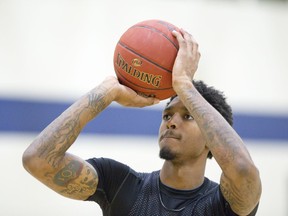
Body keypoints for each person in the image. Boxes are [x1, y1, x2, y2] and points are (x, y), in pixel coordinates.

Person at [22, 29, 261, 216]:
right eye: (167, 115)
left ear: (212, 139)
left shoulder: (223, 203)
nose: (171, 123)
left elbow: (242, 169)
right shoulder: (120, 183)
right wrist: (107, 92)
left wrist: (185, 86)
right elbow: (38, 159)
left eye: (187, 116)